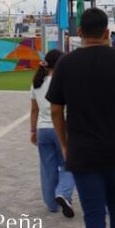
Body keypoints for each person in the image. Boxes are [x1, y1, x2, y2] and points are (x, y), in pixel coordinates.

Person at [48, 8, 115, 228]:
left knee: (93, 214)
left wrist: (64, 143)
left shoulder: (65, 63)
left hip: (82, 150)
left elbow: (56, 109)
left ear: (79, 31)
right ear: (106, 32)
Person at [29, 49, 75, 218]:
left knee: (47, 168)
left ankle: (51, 203)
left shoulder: (37, 82)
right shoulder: (64, 82)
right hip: (61, 128)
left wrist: (33, 130)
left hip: (42, 129)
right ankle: (63, 192)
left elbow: (34, 110)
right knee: (69, 164)